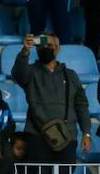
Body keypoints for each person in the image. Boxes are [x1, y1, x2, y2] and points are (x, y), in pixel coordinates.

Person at [10, 32, 93, 161]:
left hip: (67, 138)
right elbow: (18, 73)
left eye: (49, 45)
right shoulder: (31, 72)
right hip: (37, 137)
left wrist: (86, 133)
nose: (45, 48)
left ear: (58, 48)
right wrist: (25, 51)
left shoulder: (71, 75)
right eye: (42, 45)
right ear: (36, 48)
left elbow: (81, 106)